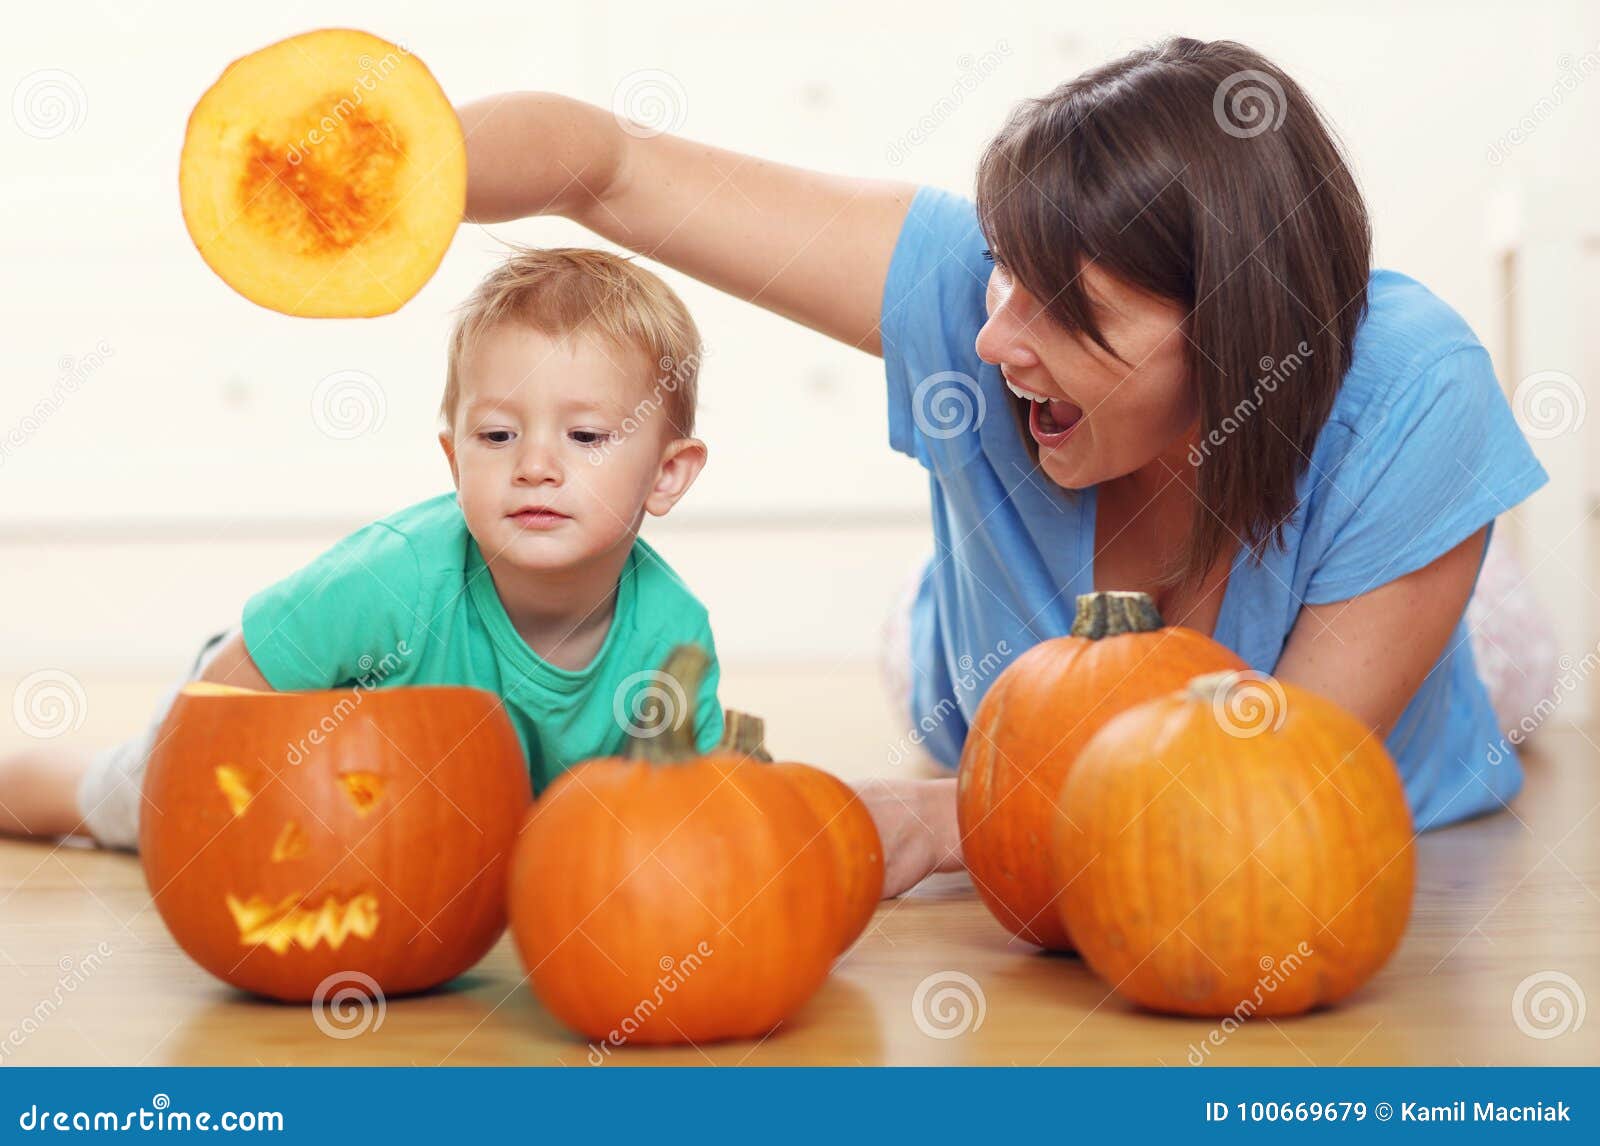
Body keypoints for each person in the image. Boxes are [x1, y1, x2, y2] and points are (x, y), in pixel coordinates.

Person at [454, 37, 1550, 897]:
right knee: (926, 649)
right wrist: (379, 172)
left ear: (1227, 331)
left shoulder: (1410, 389)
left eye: (1066, 312)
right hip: (959, 665)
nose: (991, 343)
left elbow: (1237, 802)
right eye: (1002, 277)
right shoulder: (963, 291)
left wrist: (942, 819)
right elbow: (601, 167)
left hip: (1391, 725)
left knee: (1504, 645)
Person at [0, 247, 723, 849]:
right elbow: (237, 680)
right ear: (453, 460)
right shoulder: (394, 577)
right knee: (128, 800)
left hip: (441, 835)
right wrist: (199, 795)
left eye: (586, 436)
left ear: (667, 474)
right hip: (267, 713)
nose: (535, 464)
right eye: (497, 436)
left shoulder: (672, 633)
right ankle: (31, 783)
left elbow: (688, 810)